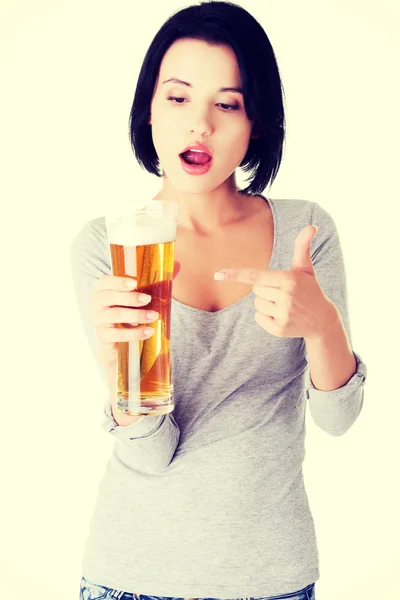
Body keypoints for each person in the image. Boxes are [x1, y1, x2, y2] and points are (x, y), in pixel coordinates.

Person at [70, 2, 367, 599]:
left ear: (256, 120)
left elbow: (338, 419)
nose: (199, 125)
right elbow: (152, 454)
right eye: (178, 98)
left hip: (270, 577)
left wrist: (322, 326)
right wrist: (127, 366)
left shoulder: (305, 231)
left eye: (226, 103)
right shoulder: (110, 245)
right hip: (130, 575)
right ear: (148, 110)